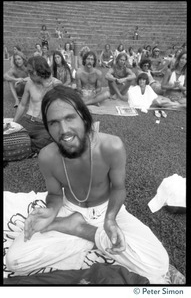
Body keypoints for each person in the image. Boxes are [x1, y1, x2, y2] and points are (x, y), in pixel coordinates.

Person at [6, 85, 169, 284]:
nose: (64, 130)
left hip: (107, 211)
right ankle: (81, 230)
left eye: (69, 118)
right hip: (69, 209)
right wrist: (50, 211)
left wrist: (110, 220)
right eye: (54, 123)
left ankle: (78, 231)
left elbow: (118, 188)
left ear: (84, 117)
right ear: (48, 127)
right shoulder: (47, 156)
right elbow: (55, 195)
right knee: (15, 261)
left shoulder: (112, 146)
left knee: (159, 263)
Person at [13, 56, 62, 153]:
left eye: (31, 72)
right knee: (11, 137)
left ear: (40, 70)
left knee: (50, 141)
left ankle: (26, 143)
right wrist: (14, 124)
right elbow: (22, 105)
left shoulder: (56, 85)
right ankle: (27, 144)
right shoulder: (30, 83)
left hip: (43, 125)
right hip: (27, 120)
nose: (29, 74)